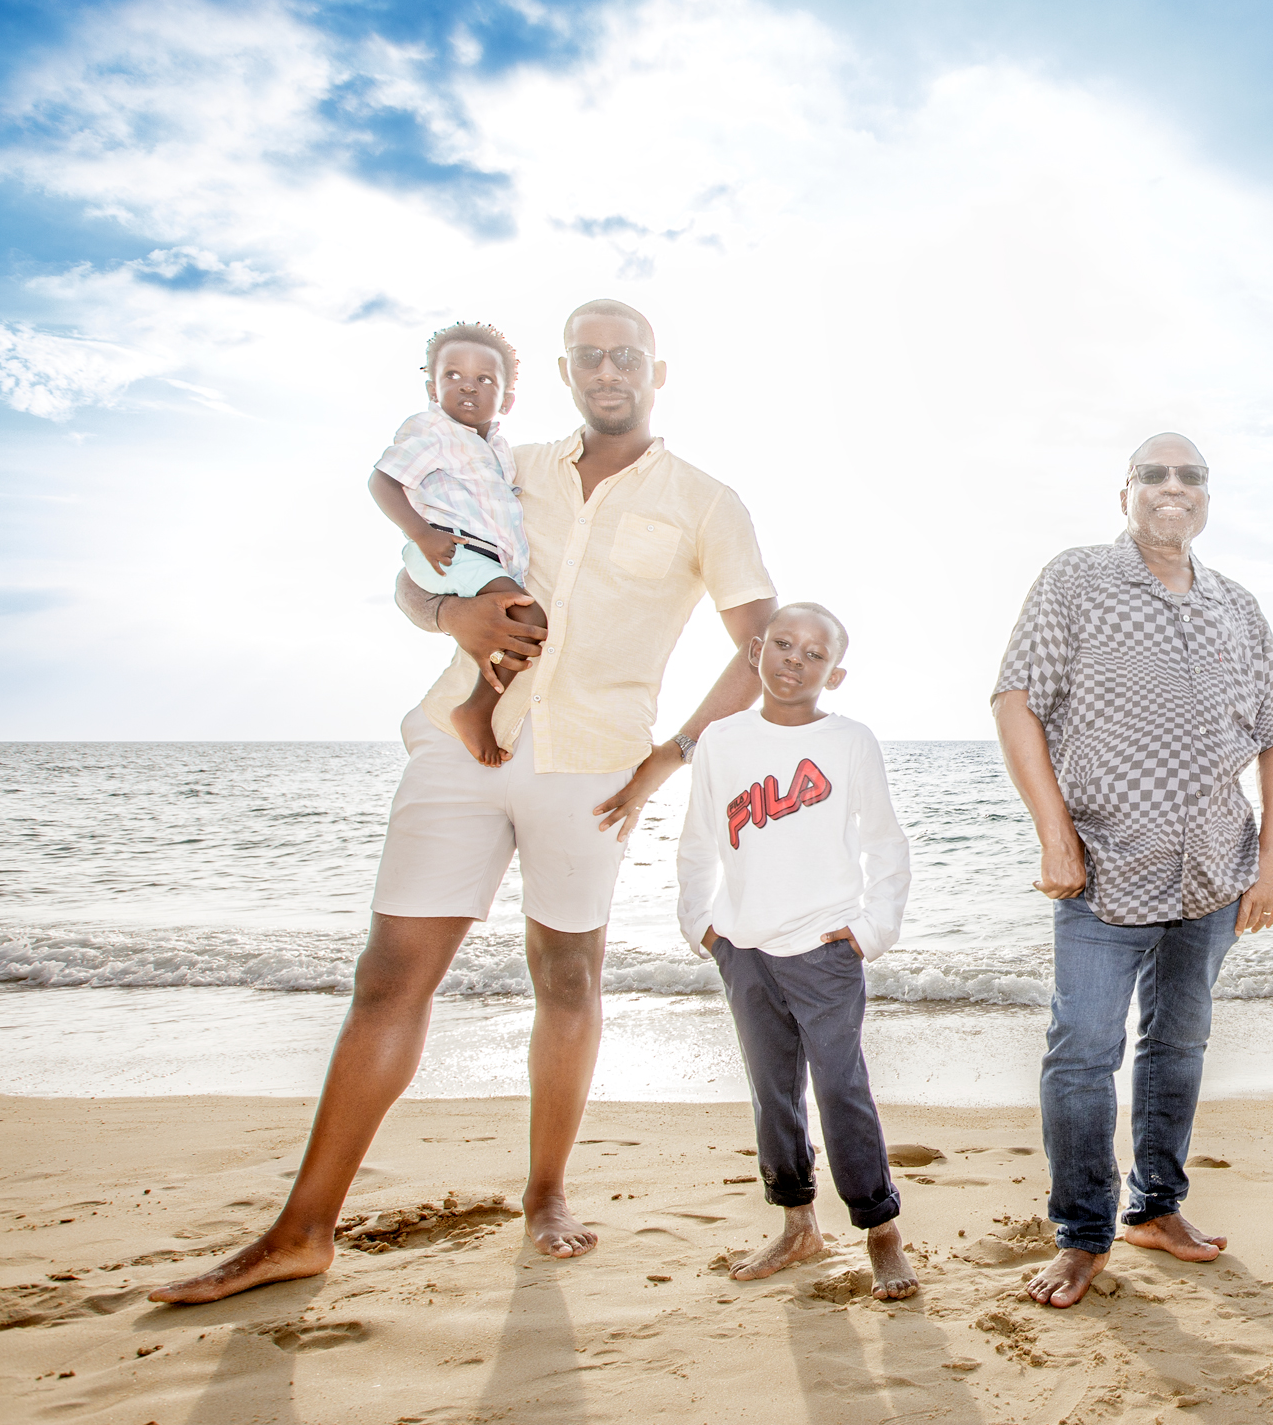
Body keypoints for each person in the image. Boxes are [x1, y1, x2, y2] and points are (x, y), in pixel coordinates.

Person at [152, 299, 778, 1304]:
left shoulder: (707, 501)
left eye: (627, 356)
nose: (607, 370)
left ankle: (544, 1195)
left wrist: (668, 760)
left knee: (566, 975)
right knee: (390, 973)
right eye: (588, 358)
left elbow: (765, 643)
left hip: (593, 770)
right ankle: (302, 1229)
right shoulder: (501, 463)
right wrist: (454, 613)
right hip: (460, 738)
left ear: (660, 372)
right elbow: (412, 576)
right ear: (569, 375)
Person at [992, 432, 1273, 1308]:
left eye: (1191, 476)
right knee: (1082, 1052)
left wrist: (1270, 863)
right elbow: (1016, 702)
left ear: (1208, 495)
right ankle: (1082, 1235)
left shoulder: (1237, 607)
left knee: (1178, 1043)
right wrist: (1054, 834)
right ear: (1124, 491)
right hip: (1103, 866)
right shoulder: (1077, 579)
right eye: (1154, 474)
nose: (1174, 488)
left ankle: (1156, 1208)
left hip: (1212, 872)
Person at [677, 602, 919, 1300]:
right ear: (757, 651)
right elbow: (698, 842)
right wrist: (702, 926)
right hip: (744, 949)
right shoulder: (721, 740)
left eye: (814, 654)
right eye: (783, 644)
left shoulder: (849, 741)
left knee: (842, 1089)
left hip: (822, 948)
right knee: (772, 1092)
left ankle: (881, 1231)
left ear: (834, 674)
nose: (794, 660)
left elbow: (885, 844)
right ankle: (797, 1224)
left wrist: (872, 930)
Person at [365, 321, 547, 768]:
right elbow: (382, 480)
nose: (468, 387)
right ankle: (475, 710)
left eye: (484, 379)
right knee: (530, 616)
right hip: (450, 549)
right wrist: (421, 534)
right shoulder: (432, 432)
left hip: (481, 557)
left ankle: (478, 685)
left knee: (516, 625)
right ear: (432, 387)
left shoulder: (499, 449)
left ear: (506, 399)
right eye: (453, 376)